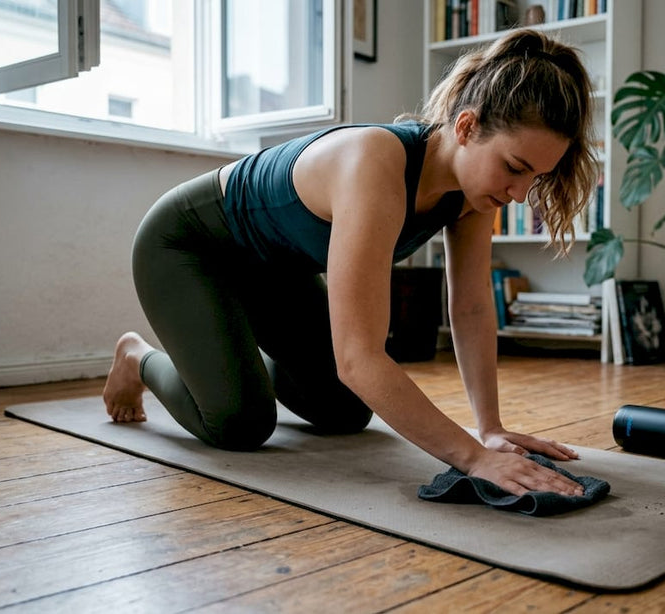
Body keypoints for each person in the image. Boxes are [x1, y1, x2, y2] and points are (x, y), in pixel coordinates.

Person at [102, 28, 599, 498]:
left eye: (535, 178)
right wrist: (471, 459)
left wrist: (488, 430)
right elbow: (358, 357)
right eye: (514, 168)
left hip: (273, 270)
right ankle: (137, 358)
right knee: (240, 423)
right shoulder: (374, 163)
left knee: (344, 408)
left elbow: (469, 309)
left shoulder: (471, 195)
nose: (518, 194)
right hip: (189, 247)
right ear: (466, 126)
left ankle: (232, 361)